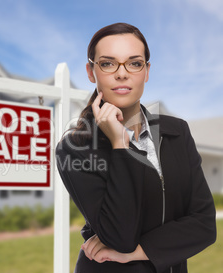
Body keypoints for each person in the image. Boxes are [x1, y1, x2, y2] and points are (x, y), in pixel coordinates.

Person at [56, 22, 216, 273]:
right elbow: (120, 236)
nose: (122, 74)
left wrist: (137, 253)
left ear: (147, 71)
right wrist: (120, 144)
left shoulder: (177, 132)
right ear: (91, 72)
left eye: (134, 63)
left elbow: (205, 225)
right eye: (108, 63)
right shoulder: (75, 148)